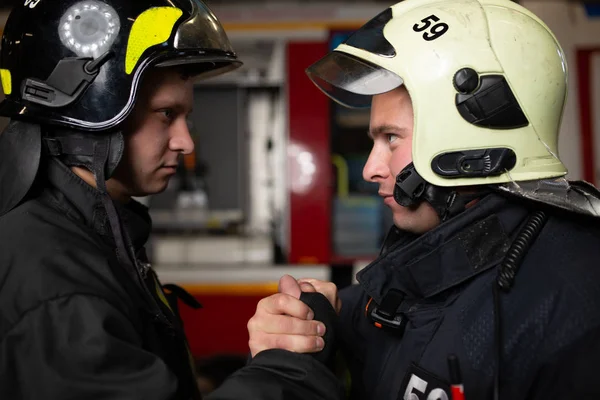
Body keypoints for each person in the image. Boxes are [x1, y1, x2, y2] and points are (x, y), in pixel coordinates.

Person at [247, 0, 600, 398]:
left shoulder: (577, 305)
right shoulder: (424, 263)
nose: (370, 169)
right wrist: (315, 323)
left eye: (391, 138)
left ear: (470, 140)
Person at [0, 1, 342, 399]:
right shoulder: (58, 289)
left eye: (186, 117)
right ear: (92, 114)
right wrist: (289, 365)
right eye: (166, 114)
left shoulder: (78, 236)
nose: (186, 142)